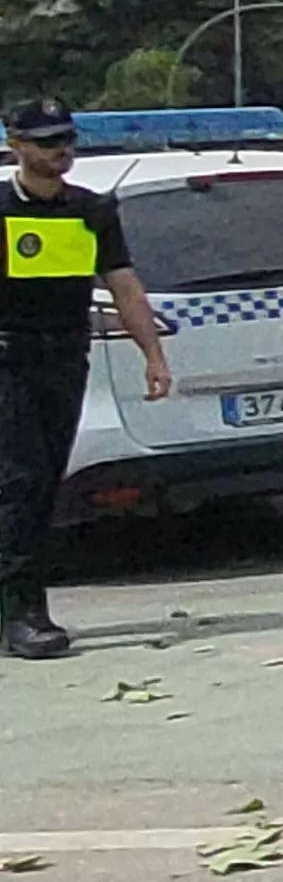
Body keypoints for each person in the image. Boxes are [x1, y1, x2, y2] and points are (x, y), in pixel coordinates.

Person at [0, 100, 170, 660]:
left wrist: (153, 355)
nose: (60, 151)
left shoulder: (92, 210)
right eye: (46, 141)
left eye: (66, 139)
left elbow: (123, 285)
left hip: (64, 359)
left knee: (44, 483)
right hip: (7, 361)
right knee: (20, 482)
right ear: (17, 145)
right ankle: (24, 613)